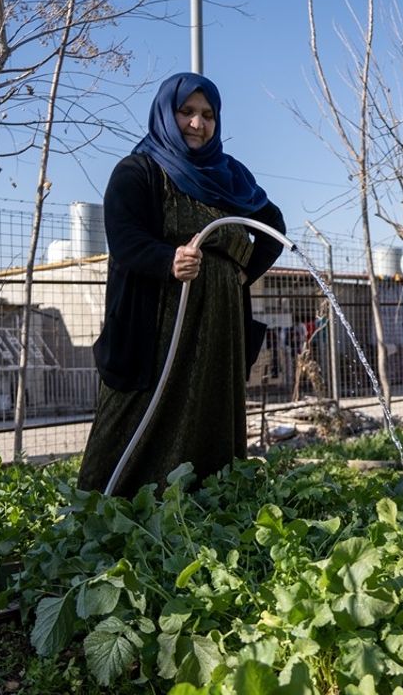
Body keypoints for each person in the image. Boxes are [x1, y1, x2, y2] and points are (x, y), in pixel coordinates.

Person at [77, 73, 286, 495]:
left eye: (207, 115)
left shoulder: (228, 177)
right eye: (186, 111)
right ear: (166, 115)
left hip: (218, 329)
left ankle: (205, 503)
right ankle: (104, 509)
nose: (197, 123)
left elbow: (273, 227)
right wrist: (169, 259)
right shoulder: (137, 172)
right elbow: (125, 238)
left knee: (210, 410)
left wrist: (243, 274)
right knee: (138, 410)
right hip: (156, 328)